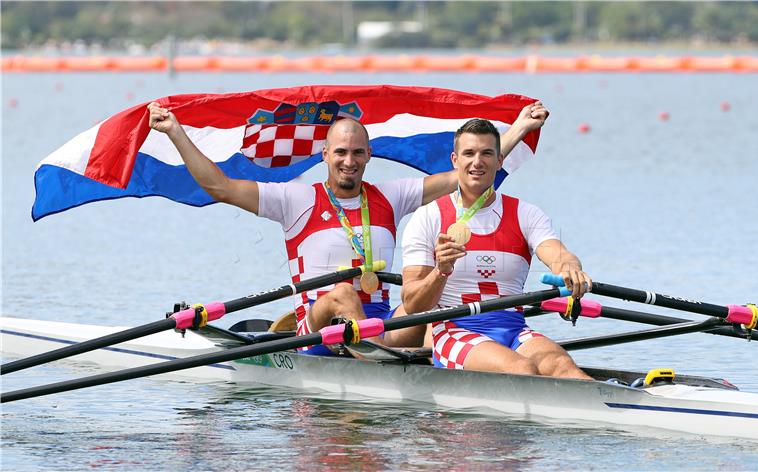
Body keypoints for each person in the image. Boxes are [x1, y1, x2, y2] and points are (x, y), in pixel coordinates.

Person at [147, 102, 550, 354]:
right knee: (342, 291)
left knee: (425, 302)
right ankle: (377, 365)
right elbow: (220, 186)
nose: (349, 161)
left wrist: (516, 129)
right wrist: (176, 133)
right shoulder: (295, 200)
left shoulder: (391, 197)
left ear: (369, 155)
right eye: (340, 152)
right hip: (315, 327)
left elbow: (467, 174)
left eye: (358, 152)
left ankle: (445, 358)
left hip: (382, 324)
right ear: (325, 154)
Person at [400, 118, 592, 379]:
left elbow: (556, 253)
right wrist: (440, 271)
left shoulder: (526, 213)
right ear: (455, 160)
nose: (477, 162)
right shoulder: (428, 217)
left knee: (564, 369)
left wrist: (569, 268)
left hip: (513, 329)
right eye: (469, 153)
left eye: (486, 153)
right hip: (454, 329)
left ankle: (616, 415)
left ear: (500, 160)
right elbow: (412, 304)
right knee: (521, 368)